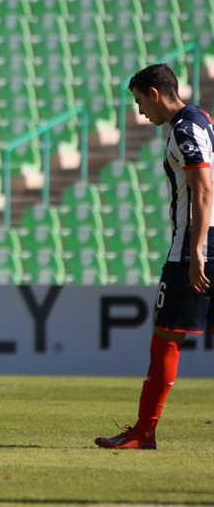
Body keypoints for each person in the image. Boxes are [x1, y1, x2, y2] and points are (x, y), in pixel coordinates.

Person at [95, 63, 214, 450]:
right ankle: (143, 431)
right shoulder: (203, 120)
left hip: (193, 247)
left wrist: (196, 250)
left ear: (155, 93)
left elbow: (203, 190)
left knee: (166, 337)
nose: (140, 110)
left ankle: (144, 432)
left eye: (139, 101)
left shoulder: (184, 129)